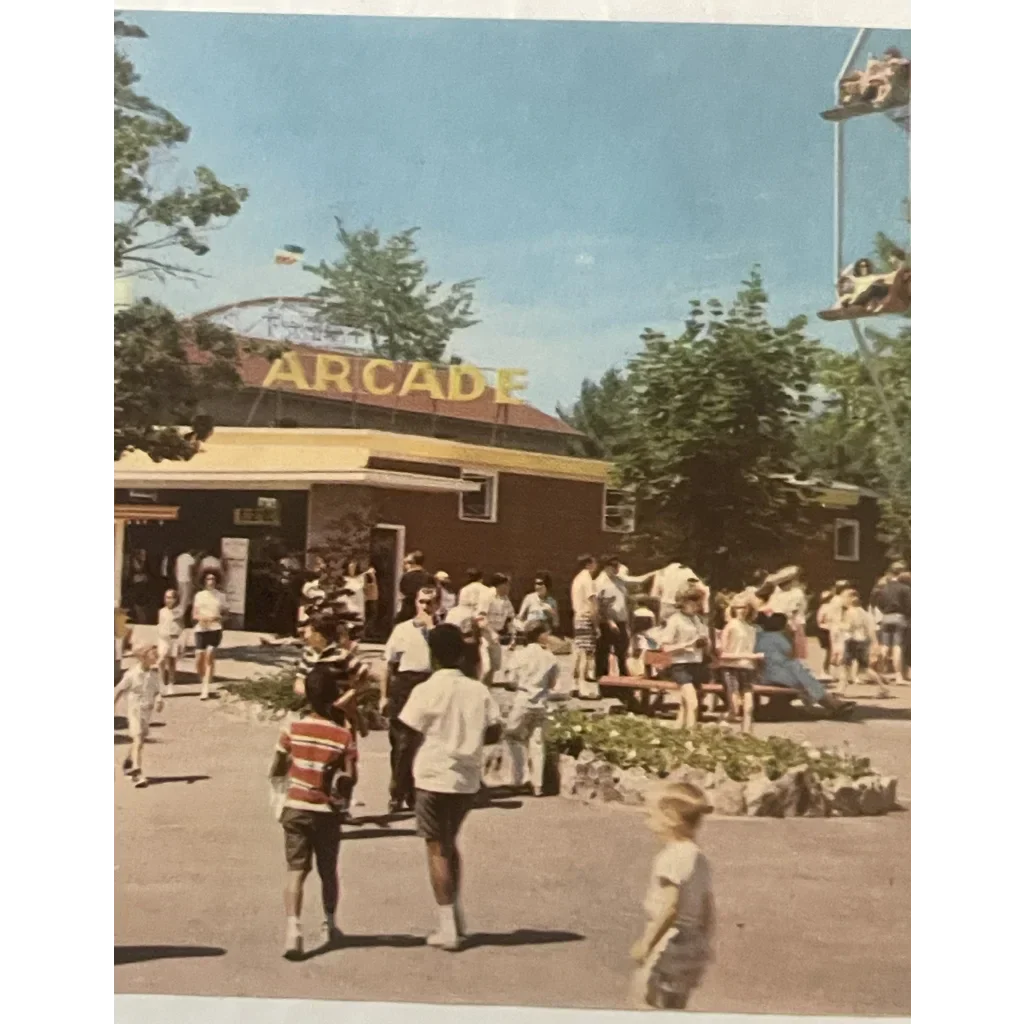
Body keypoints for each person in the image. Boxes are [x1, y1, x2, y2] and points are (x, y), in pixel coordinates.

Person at [399, 623, 504, 951]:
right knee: (449, 842)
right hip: (466, 779)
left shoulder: (426, 690)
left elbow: (407, 734)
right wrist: (469, 737)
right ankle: (453, 914)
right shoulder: (477, 690)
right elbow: (495, 732)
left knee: (437, 848)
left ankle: (447, 927)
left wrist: (399, 778)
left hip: (432, 775)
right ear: (460, 653)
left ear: (432, 655)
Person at [269, 656, 355, 960]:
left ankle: (293, 930)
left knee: (295, 871)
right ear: (334, 697)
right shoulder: (343, 735)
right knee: (328, 871)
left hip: (295, 807)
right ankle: (330, 924)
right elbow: (350, 777)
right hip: (327, 812)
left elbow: (278, 766)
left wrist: (286, 776)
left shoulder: (292, 727)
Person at [630, 783, 716, 1011]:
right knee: (675, 1006)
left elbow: (670, 907)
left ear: (670, 819)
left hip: (669, 944)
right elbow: (707, 905)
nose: (647, 822)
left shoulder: (670, 858)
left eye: (650, 815)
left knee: (644, 999)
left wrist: (647, 943)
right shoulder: (699, 857)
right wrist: (705, 941)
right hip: (693, 947)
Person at [383, 588, 437, 814]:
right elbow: (388, 664)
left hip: (429, 683)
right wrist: (384, 696)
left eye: (430, 603)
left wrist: (433, 630)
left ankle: (408, 792)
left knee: (421, 743)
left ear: (438, 605)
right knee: (401, 743)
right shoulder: (402, 630)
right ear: (415, 603)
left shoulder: (441, 631)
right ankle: (400, 791)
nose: (425, 607)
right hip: (404, 685)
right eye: (422, 602)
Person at [755, 613, 856, 718]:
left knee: (802, 675)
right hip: (771, 675)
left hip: (768, 672)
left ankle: (833, 704)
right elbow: (792, 654)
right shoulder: (779, 637)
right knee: (803, 676)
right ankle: (833, 704)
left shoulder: (761, 635)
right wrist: (791, 635)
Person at [505, 620, 564, 797]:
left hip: (523, 699)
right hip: (541, 701)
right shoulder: (550, 657)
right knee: (537, 741)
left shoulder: (519, 655)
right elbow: (553, 683)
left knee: (511, 735)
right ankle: (538, 784)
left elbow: (511, 680)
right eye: (546, 633)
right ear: (540, 635)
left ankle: (519, 777)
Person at [113, 644, 165, 789]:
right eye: (153, 655)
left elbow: (157, 690)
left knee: (140, 739)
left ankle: (129, 762)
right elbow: (118, 690)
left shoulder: (154, 673)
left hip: (147, 712)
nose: (156, 657)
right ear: (143, 657)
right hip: (135, 710)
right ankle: (137, 771)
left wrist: (159, 699)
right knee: (139, 737)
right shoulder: (132, 674)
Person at [659, 588, 711, 730]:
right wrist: (686, 645)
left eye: (698, 603)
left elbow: (701, 640)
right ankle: (691, 735)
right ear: (683, 603)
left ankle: (678, 731)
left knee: (684, 704)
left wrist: (705, 642)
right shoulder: (675, 620)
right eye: (693, 603)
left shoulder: (696, 620)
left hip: (696, 664)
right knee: (693, 702)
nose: (696, 607)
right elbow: (665, 648)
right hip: (680, 665)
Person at [717, 595, 763, 734]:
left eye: (744, 607)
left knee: (749, 708)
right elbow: (722, 655)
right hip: (731, 669)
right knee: (735, 709)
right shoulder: (730, 626)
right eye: (737, 607)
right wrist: (750, 656)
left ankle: (747, 735)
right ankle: (720, 722)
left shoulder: (751, 628)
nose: (741, 610)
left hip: (747, 669)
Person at [838, 590, 890, 698]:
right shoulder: (863, 612)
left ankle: (841, 690)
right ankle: (883, 687)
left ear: (851, 599)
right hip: (862, 641)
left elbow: (849, 627)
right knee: (865, 668)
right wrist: (875, 643)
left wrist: (839, 626)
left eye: (843, 598)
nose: (842, 600)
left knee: (845, 666)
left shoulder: (850, 612)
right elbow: (870, 629)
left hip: (851, 642)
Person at [870, 567, 912, 679]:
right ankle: (898, 675)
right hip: (900, 617)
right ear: (899, 574)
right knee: (897, 646)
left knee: (885, 645)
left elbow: (879, 604)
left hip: (886, 617)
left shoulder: (883, 589)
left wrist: (885, 611)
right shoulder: (905, 588)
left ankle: (880, 672)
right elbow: (909, 605)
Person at [595, 555, 632, 683]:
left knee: (622, 650)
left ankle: (624, 679)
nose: (616, 568)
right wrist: (610, 621)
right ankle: (602, 681)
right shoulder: (600, 582)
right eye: (613, 566)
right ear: (606, 567)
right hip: (607, 622)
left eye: (618, 565)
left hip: (621, 620)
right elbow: (599, 605)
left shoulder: (618, 580)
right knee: (603, 652)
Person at [192, 569, 228, 701]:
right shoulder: (199, 595)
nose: (211, 581)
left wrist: (217, 618)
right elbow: (194, 614)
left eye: (213, 579)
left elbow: (226, 614)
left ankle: (205, 687)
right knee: (199, 657)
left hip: (215, 628)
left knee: (210, 654)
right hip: (201, 628)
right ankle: (203, 680)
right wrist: (201, 618)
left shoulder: (221, 596)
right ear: (204, 581)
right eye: (208, 579)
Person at [570, 554, 599, 697]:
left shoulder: (577, 579)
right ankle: (582, 686)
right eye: (594, 563)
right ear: (588, 564)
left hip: (577, 617)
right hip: (586, 617)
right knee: (585, 653)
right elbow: (593, 602)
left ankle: (574, 684)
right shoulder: (588, 579)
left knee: (578, 650)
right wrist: (596, 625)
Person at [766, 566, 809, 660]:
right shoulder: (778, 594)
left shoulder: (795, 593)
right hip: (783, 625)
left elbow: (793, 611)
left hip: (789, 625)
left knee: (790, 653)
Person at [482, 573, 515, 682]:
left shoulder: (505, 599)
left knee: (494, 666)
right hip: (483, 635)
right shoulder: (487, 596)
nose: (509, 588)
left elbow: (510, 618)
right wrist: (491, 632)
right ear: (499, 585)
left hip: (495, 636)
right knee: (485, 666)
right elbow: (480, 618)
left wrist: (513, 635)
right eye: (507, 585)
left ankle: (487, 688)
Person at [156, 588, 184, 696]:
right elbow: (160, 624)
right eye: (166, 597)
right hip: (163, 639)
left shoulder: (179, 611)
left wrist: (179, 639)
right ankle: (161, 684)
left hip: (173, 638)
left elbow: (181, 626)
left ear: (176, 599)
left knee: (171, 662)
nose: (168, 600)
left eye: (171, 598)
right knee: (161, 661)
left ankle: (171, 684)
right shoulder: (162, 611)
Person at [397, 551, 431, 624]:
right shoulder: (428, 577)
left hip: (407, 610)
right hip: (423, 610)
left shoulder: (407, 576)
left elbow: (402, 591)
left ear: (412, 562)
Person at [174, 548, 197, 643]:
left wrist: (177, 580)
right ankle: (182, 621)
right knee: (186, 602)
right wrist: (193, 583)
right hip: (187, 581)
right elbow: (191, 571)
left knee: (181, 601)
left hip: (180, 580)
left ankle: (181, 622)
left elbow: (175, 569)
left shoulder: (179, 557)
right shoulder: (191, 559)